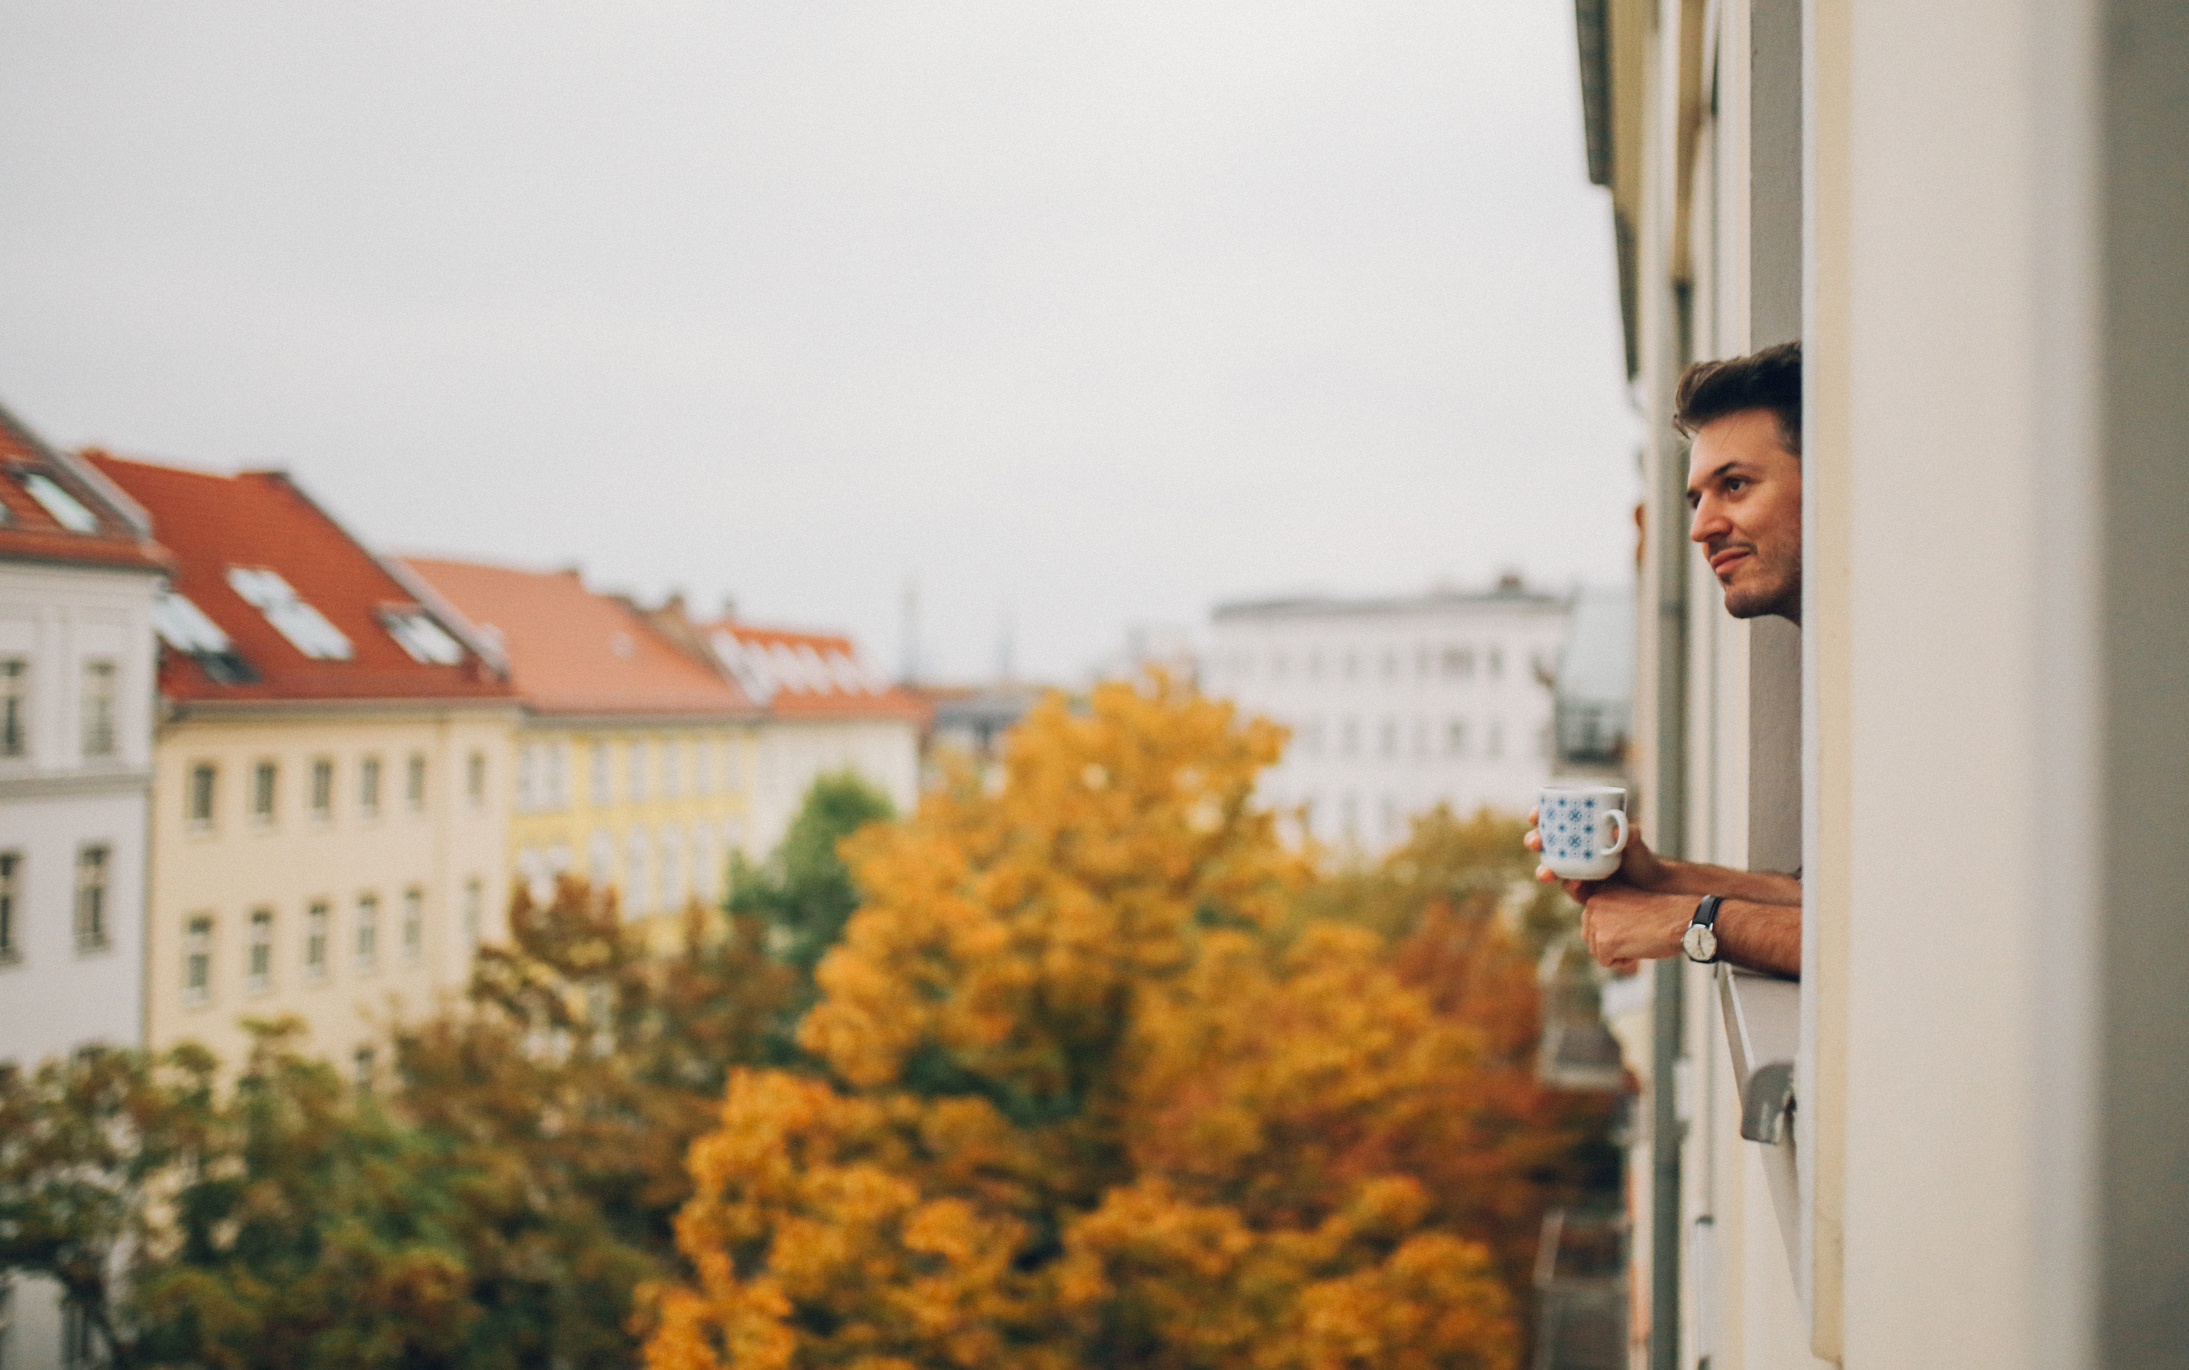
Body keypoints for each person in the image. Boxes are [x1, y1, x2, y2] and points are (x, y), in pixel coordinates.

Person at [1528, 341, 1805, 978]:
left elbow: (1893, 938)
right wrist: (1657, 876)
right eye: (1697, 498)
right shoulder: (1842, 662)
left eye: (1734, 485)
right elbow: (1822, 903)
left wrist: (1692, 922)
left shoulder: (1904, 672)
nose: (1701, 526)